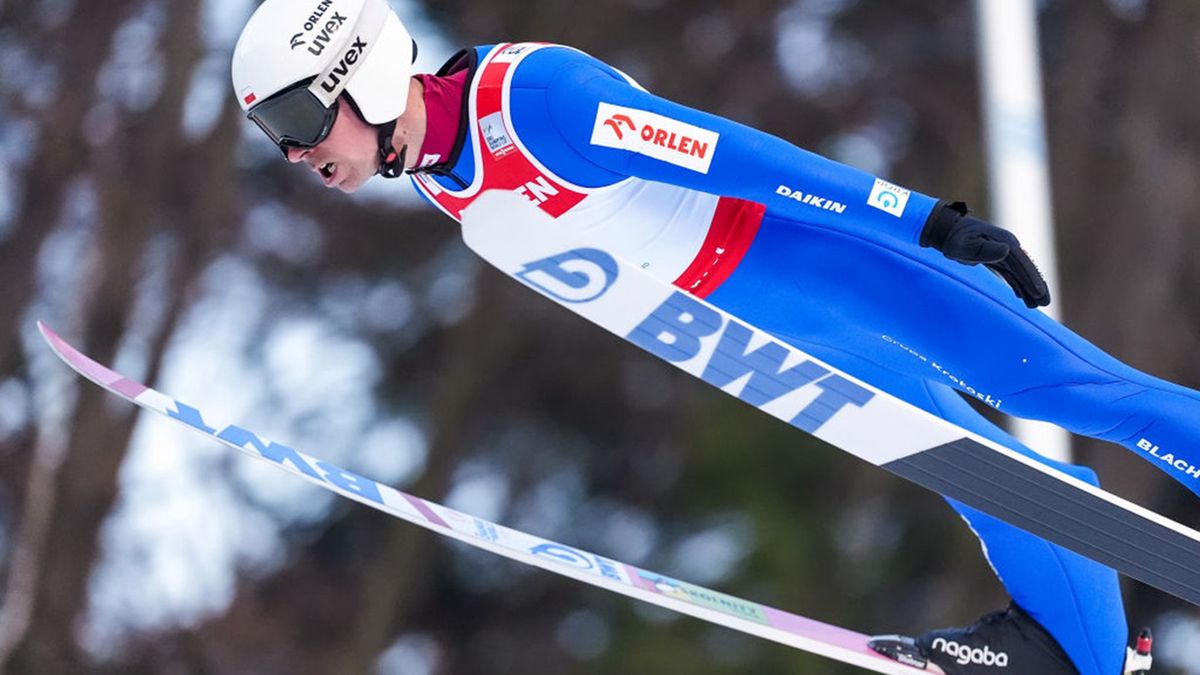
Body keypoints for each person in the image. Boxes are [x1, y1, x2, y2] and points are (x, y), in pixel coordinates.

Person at [229, 0, 1177, 672]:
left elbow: (736, 155)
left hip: (831, 259)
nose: (298, 151)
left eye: (300, 116)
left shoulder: (538, 102)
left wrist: (921, 219)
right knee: (974, 469)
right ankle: (1081, 647)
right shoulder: (441, 175)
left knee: (1070, 391)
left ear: (366, 71)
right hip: (767, 318)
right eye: (278, 134)